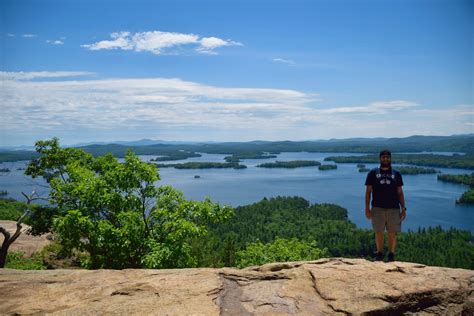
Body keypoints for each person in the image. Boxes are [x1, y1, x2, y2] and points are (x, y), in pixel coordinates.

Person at [365, 149, 406, 262]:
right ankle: (379, 254)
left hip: (393, 208)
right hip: (377, 208)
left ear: (390, 158)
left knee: (392, 232)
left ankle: (391, 255)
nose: (385, 159)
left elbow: (400, 192)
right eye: (383, 157)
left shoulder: (396, 174)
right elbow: (368, 192)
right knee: (378, 232)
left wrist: (404, 208)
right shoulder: (372, 173)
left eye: (387, 157)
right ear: (380, 159)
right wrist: (367, 208)